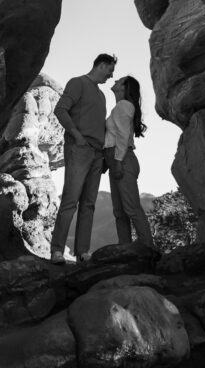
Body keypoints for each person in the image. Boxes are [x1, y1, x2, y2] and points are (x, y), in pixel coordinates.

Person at [50, 53, 117, 264]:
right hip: (79, 149)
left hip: (97, 154)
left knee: (89, 204)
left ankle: (82, 252)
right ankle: (57, 251)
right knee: (70, 201)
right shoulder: (77, 83)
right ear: (101, 65)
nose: (111, 76)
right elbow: (60, 110)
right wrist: (77, 136)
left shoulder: (102, 96)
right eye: (110, 70)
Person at [104, 75, 155, 247]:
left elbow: (124, 135)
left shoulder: (123, 105)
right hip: (116, 159)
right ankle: (125, 249)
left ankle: (148, 248)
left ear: (124, 88)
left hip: (122, 160)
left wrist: (118, 161)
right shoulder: (120, 107)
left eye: (119, 81)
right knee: (119, 212)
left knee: (131, 208)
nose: (115, 81)